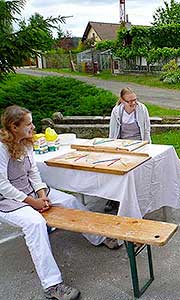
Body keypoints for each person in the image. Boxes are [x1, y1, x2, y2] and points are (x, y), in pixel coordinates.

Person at [0, 106, 119, 300]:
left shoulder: (27, 143)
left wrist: (41, 195)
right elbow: (2, 185)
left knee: (70, 201)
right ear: (14, 127)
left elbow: (33, 173)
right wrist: (33, 202)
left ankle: (98, 238)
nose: (33, 126)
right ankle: (52, 285)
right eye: (28, 124)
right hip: (7, 200)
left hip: (31, 192)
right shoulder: (1, 147)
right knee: (35, 223)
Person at [107, 87, 151, 211]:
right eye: (129, 101)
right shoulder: (116, 111)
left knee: (136, 170)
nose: (133, 103)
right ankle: (114, 199)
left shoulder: (142, 109)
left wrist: (147, 146)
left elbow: (147, 130)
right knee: (116, 169)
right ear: (122, 101)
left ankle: (136, 197)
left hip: (139, 144)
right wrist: (112, 147)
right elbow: (113, 131)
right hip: (122, 145)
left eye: (134, 100)